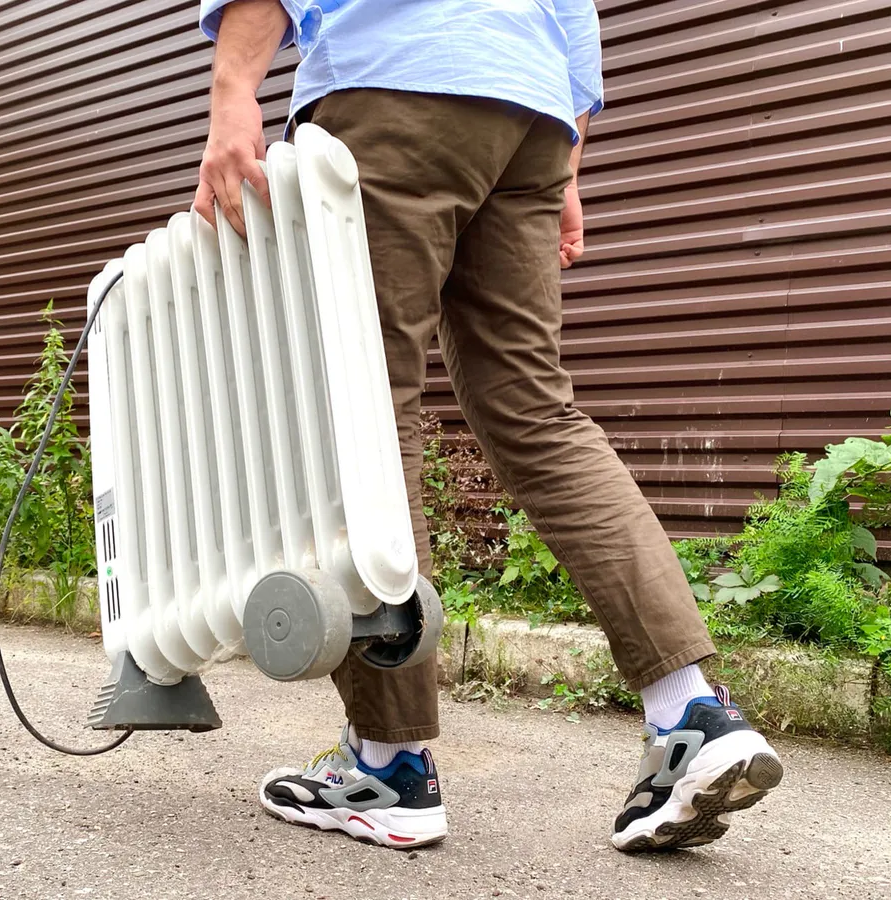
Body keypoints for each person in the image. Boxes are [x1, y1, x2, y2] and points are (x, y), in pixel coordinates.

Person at [193, 0, 784, 852]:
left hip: (394, 87)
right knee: (535, 410)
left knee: (364, 410)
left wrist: (232, 94)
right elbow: (575, 19)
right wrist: (566, 169)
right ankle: (690, 711)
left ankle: (389, 764)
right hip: (530, 114)